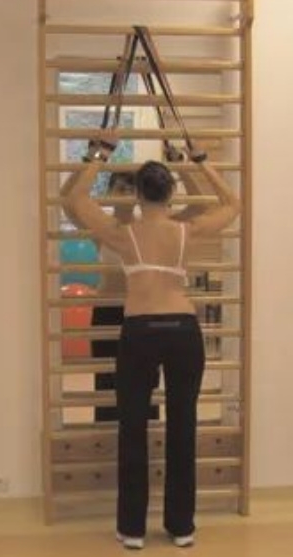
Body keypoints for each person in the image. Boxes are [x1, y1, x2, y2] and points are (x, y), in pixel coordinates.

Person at [64, 132, 240, 550]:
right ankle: (181, 527)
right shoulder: (185, 230)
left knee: (132, 428)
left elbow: (75, 199)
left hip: (140, 331)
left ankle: (132, 530)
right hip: (183, 331)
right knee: (182, 428)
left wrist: (100, 152)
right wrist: (199, 160)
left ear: (140, 194)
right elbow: (233, 203)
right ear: (171, 193)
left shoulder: (122, 234)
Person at [62, 156, 208, 422]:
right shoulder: (102, 228)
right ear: (108, 192)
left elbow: (199, 206)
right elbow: (68, 201)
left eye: (131, 188)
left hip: (144, 317)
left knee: (145, 393)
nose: (126, 194)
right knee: (107, 387)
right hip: (108, 314)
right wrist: (91, 158)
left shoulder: (152, 227)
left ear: (140, 194)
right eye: (120, 188)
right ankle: (107, 439)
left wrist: (181, 165)